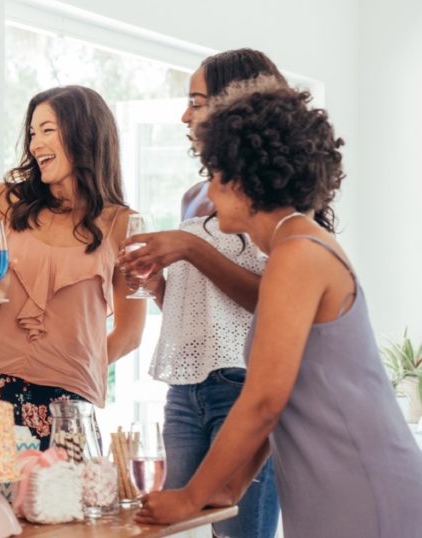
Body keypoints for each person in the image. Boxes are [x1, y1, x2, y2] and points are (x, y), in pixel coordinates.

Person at [136, 78, 422, 537]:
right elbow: (282, 396)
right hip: (329, 485)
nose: (208, 189)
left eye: (214, 174)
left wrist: (191, 497)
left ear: (244, 180)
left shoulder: (297, 253)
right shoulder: (295, 245)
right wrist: (230, 487)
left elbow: (264, 399)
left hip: (363, 484)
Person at [118, 49, 283, 538]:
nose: (185, 115)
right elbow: (198, 311)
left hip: (243, 388)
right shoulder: (195, 195)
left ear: (238, 103)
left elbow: (272, 303)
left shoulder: (275, 193)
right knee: (176, 530)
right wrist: (156, 285)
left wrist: (190, 247)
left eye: (197, 101)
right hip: (185, 394)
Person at [0, 86, 145, 449]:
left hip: (67, 400)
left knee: (61, 503)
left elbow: (131, 332)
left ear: (84, 134)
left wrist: (73, 364)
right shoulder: (3, 200)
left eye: (47, 130)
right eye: (31, 133)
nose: (35, 144)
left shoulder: (123, 224)